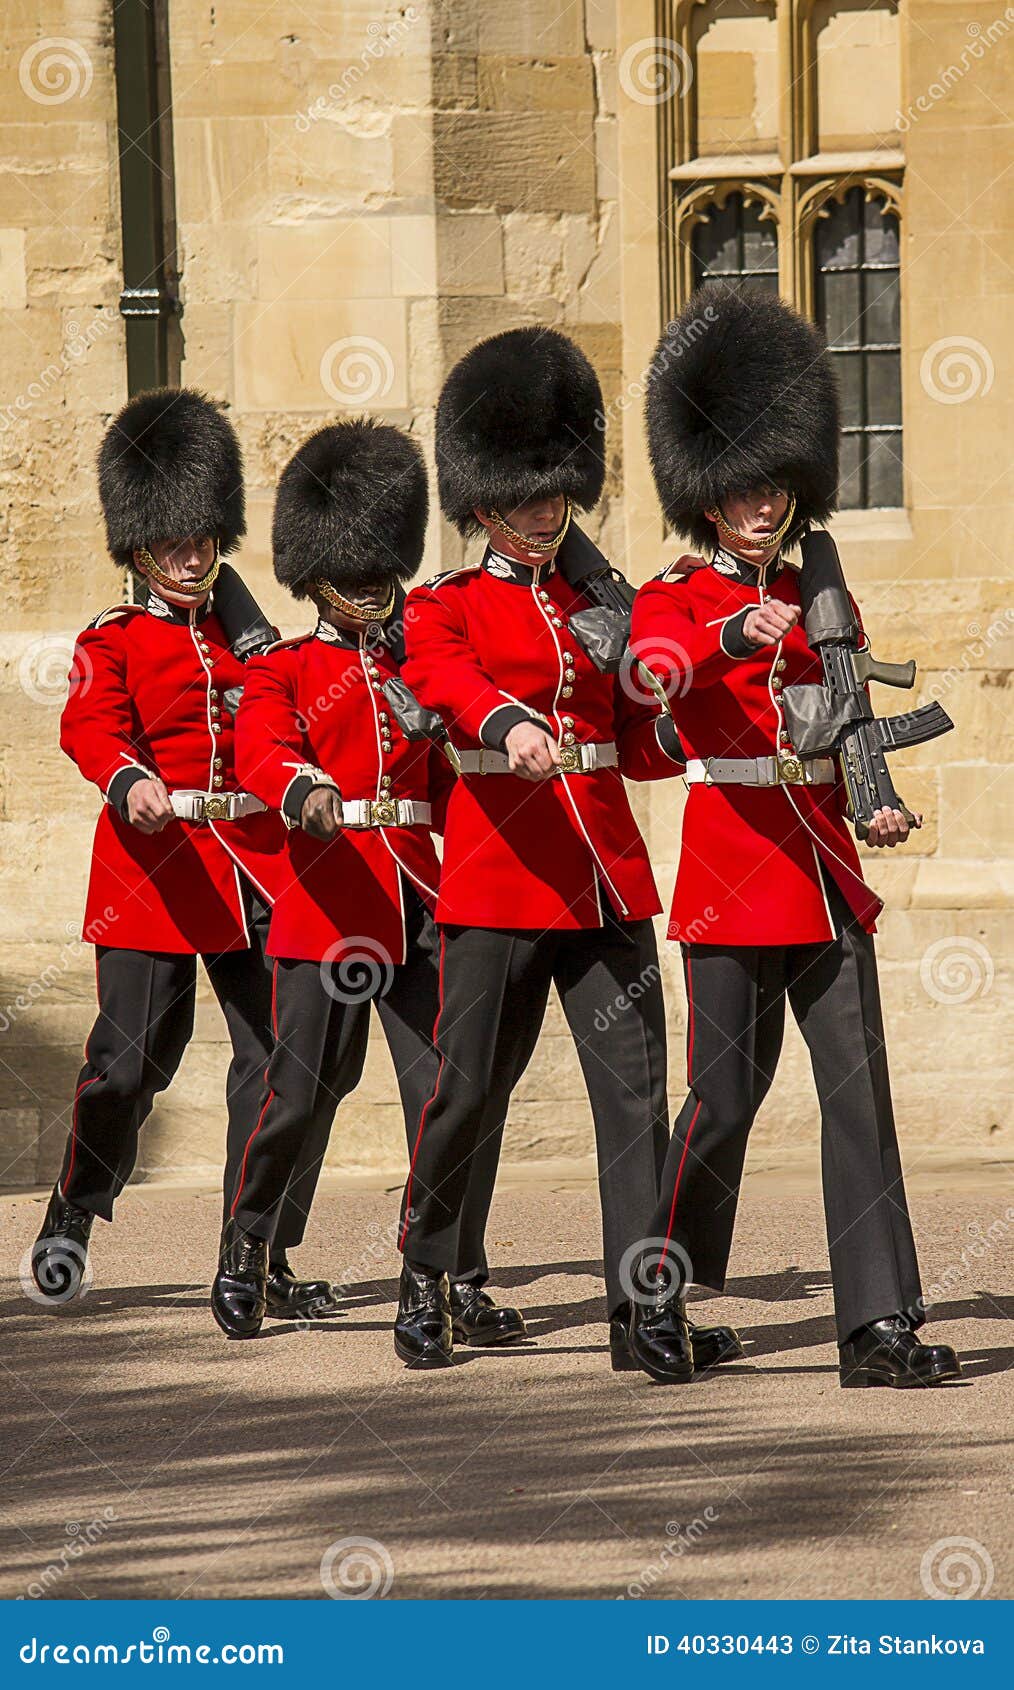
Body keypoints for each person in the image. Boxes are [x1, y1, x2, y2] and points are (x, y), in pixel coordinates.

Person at [628, 284, 961, 1389]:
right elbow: (650, 676)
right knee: (723, 1103)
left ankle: (875, 1325)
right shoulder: (674, 595)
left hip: (825, 865)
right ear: (705, 496)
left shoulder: (831, 601)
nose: (763, 502)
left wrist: (874, 799)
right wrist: (732, 628)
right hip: (730, 868)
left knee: (857, 1094)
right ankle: (655, 1301)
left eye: (775, 482)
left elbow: (845, 720)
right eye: (740, 485)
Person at [396, 326, 741, 1377]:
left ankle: (644, 1316)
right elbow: (445, 685)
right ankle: (428, 1275)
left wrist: (690, 721)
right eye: (530, 495)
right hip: (500, 882)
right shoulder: (440, 606)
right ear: (484, 499)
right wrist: (509, 727)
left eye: (559, 493)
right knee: (467, 1093)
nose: (550, 511)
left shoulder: (601, 605)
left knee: (635, 1104)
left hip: (603, 884)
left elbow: (634, 743)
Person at [220, 417, 524, 1356]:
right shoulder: (281, 667)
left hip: (423, 905)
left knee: (454, 1095)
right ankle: (248, 1247)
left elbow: (440, 783)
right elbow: (263, 751)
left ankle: (452, 1273)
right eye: (346, 573)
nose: (364, 587)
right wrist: (303, 791)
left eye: (374, 568)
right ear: (314, 579)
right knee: (302, 1094)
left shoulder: (411, 667)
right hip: (329, 905)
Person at [32, 388, 337, 1320]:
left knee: (286, 1063)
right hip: (153, 871)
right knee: (127, 1068)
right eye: (173, 541)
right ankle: (74, 1212)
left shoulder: (254, 645)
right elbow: (90, 729)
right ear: (139, 549)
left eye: (203, 537)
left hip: (252, 864)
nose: (192, 555)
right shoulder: (111, 640)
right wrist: (131, 782)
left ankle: (257, 1250)